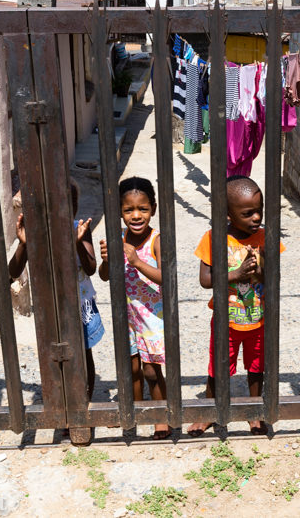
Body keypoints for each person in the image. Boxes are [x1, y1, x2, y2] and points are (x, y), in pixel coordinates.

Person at [189, 176, 283, 436]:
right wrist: (237, 274)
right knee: (218, 367)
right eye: (247, 213)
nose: (256, 218)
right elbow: (205, 280)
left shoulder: (265, 238)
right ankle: (210, 411)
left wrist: (259, 267)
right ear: (228, 214)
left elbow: (272, 278)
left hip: (258, 319)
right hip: (226, 320)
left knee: (256, 368)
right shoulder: (213, 238)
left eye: (259, 211)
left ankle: (255, 412)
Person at [8, 179, 102, 402]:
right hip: (50, 307)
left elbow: (90, 268)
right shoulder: (35, 234)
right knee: (54, 354)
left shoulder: (79, 229)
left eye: (64, 205)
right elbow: (13, 270)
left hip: (79, 304)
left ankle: (83, 404)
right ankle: (61, 402)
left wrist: (78, 242)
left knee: (83, 351)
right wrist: (23, 244)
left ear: (74, 208)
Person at [98, 176, 170, 439]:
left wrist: (137, 261)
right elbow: (105, 275)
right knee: (131, 368)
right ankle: (134, 411)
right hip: (126, 316)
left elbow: (166, 277)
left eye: (143, 209)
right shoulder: (116, 238)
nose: (136, 215)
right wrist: (107, 259)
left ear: (153, 208)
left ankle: (160, 415)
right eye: (129, 210)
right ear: (119, 211)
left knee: (151, 369)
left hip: (152, 316)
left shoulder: (157, 240)